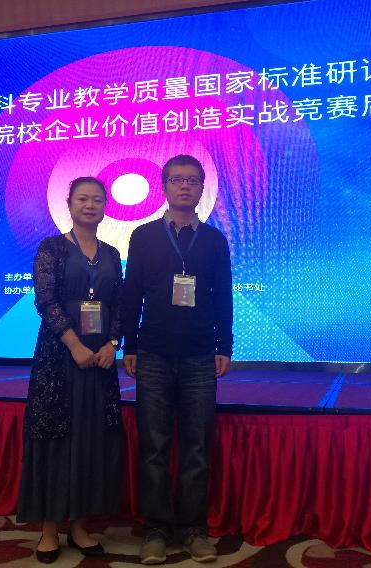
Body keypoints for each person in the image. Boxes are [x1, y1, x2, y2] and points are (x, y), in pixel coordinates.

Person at [121, 154, 233, 564]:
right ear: (164, 187)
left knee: (197, 446)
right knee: (154, 446)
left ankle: (193, 529)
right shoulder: (143, 235)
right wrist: (129, 346)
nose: (185, 186)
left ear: (202, 188)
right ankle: (155, 530)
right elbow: (132, 293)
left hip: (201, 356)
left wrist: (225, 346)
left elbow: (223, 295)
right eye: (177, 179)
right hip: (152, 354)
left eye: (192, 180)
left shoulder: (215, 240)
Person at [17, 176, 123, 564]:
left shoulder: (112, 253)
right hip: (59, 358)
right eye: (82, 199)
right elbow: (45, 301)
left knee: (91, 439)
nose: (90, 205)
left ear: (105, 207)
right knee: (56, 439)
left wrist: (112, 344)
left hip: (100, 361)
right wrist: (75, 344)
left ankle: (79, 525)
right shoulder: (52, 248)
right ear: (69, 204)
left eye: (97, 200)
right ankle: (49, 530)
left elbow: (119, 304)